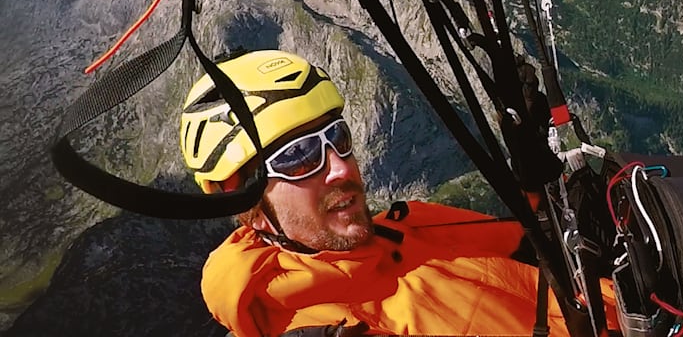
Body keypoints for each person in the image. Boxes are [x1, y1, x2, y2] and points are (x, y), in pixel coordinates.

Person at [179, 49, 613, 336]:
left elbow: (530, 244)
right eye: (300, 156)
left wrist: (535, 183)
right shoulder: (314, 325)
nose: (340, 167)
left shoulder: (410, 226)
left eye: (338, 137)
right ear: (244, 202)